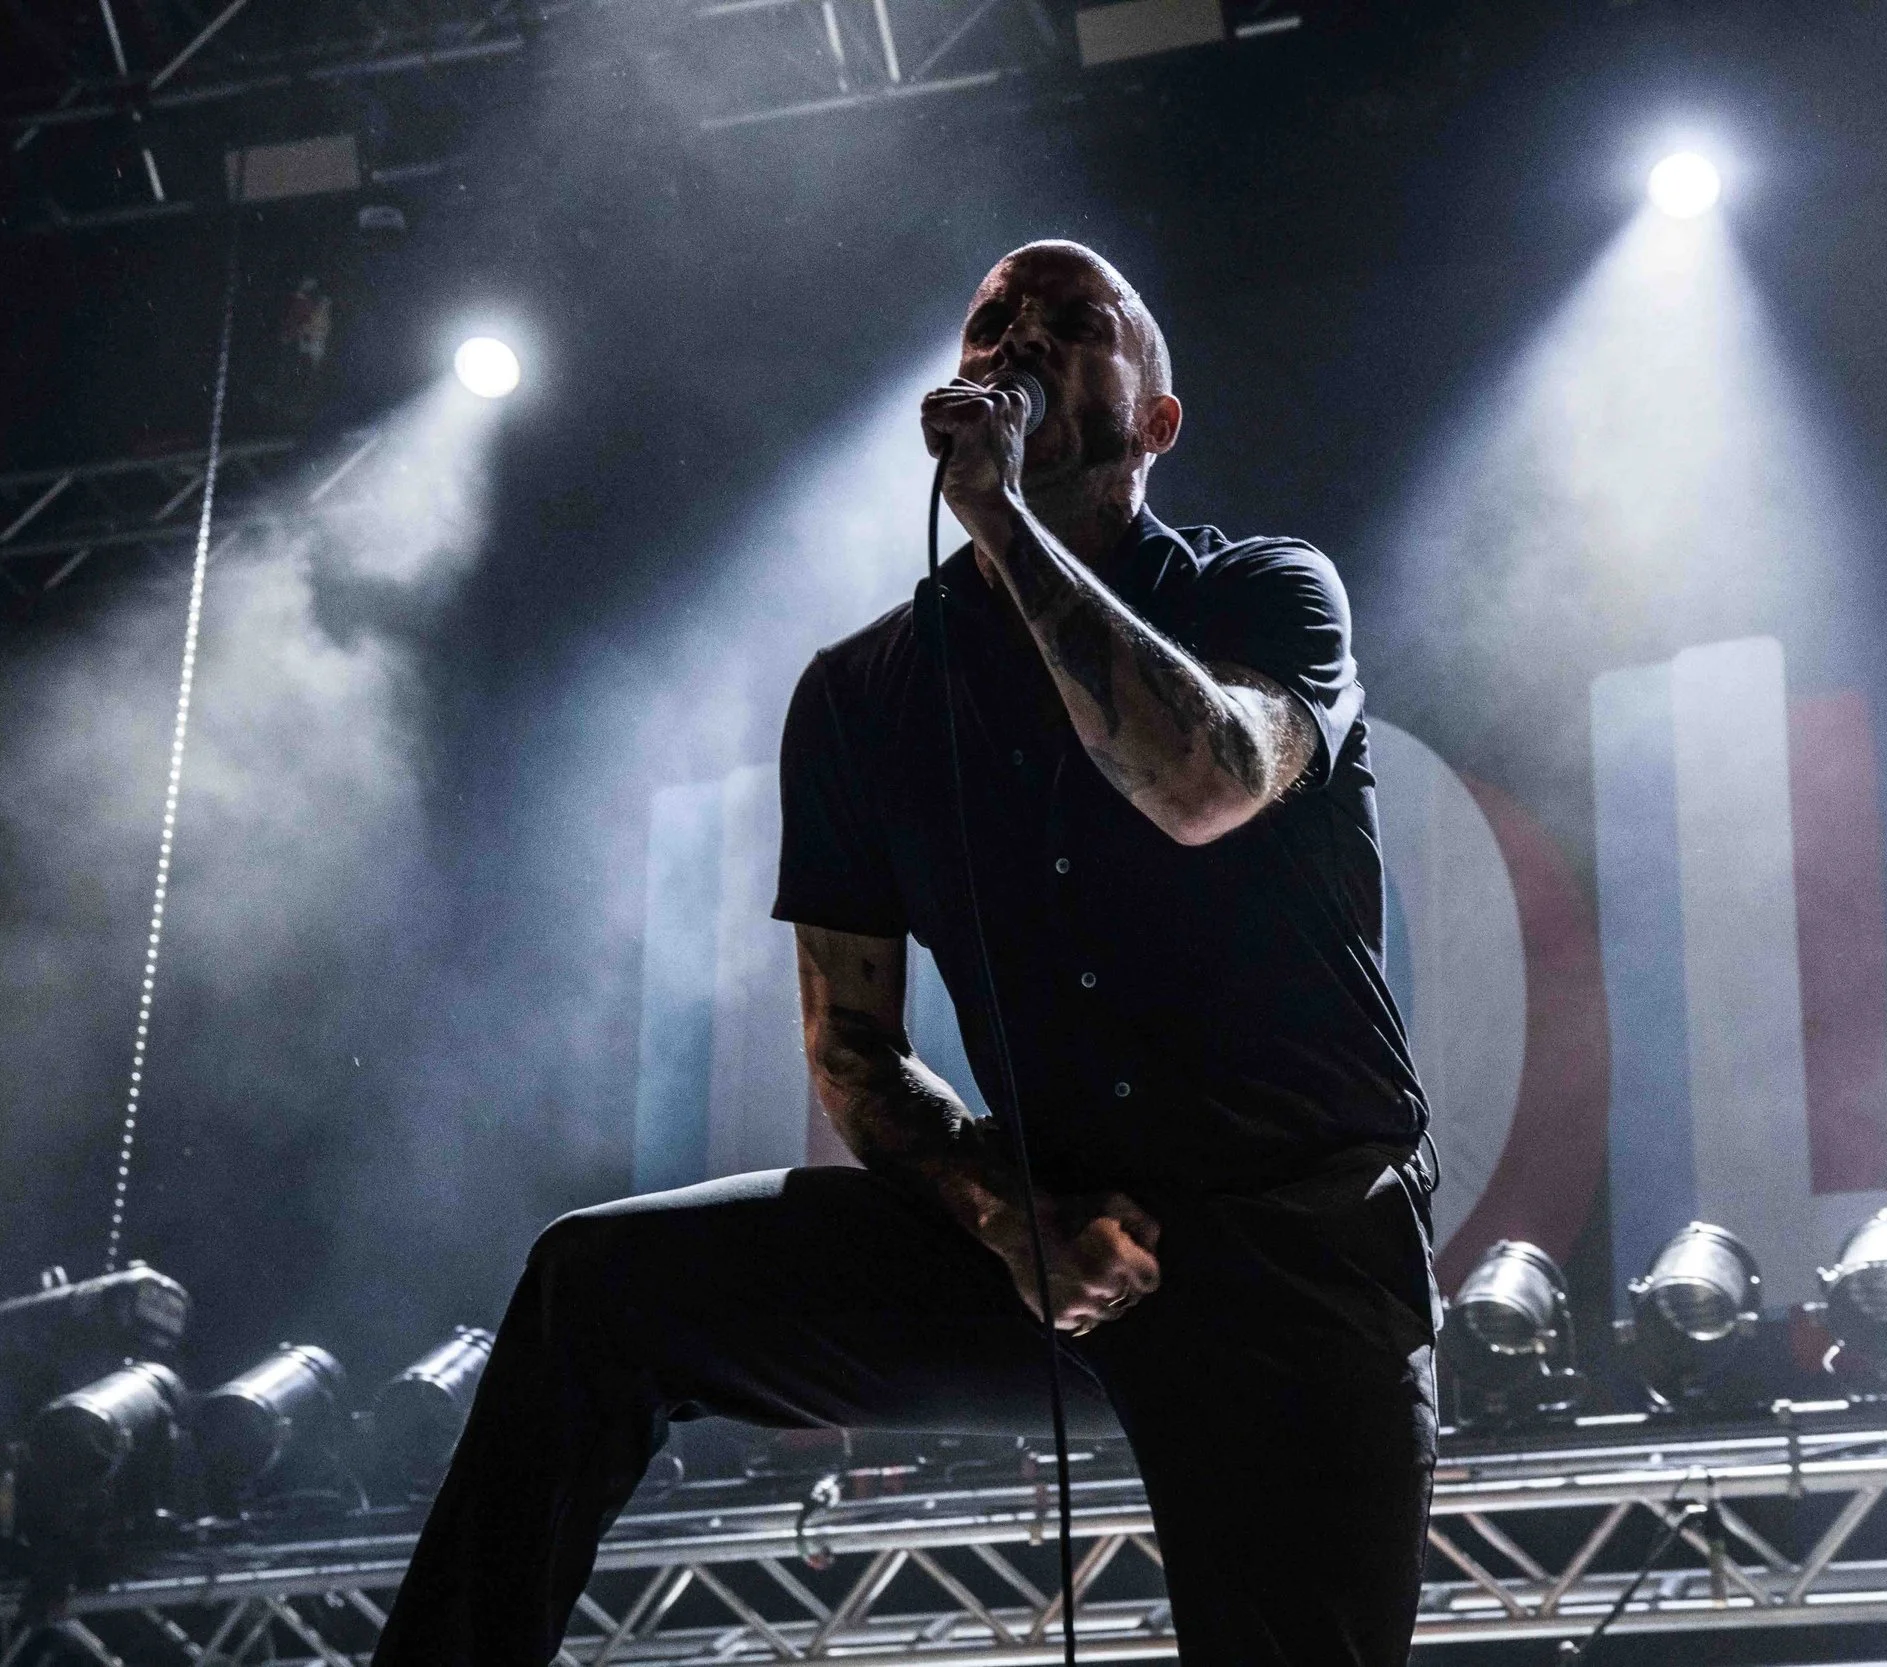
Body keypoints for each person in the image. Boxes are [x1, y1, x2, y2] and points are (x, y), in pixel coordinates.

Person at [372, 240, 1439, 1667]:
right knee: (597, 1294)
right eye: (994, 321)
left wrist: (1003, 522)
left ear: (1159, 422)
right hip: (1043, 1223)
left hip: (1292, 1246)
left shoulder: (1269, 593)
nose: (1019, 342)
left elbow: (1202, 782)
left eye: (1075, 326)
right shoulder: (863, 695)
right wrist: (1004, 1216)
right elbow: (851, 1047)